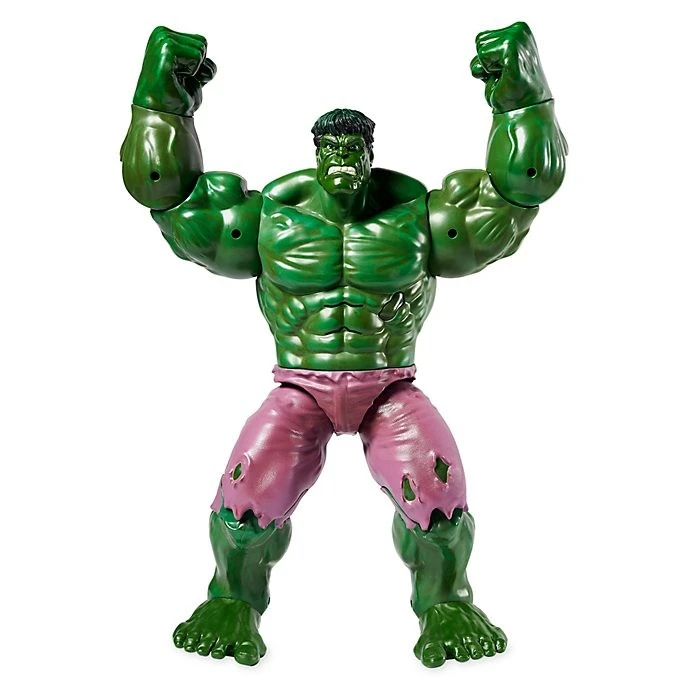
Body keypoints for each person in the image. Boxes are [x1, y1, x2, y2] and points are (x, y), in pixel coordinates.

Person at [121, 21, 566, 667]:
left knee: (437, 497)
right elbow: (170, 194)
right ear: (315, 154)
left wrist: (522, 97)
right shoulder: (274, 221)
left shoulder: (413, 220)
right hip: (300, 385)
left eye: (353, 151)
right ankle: (232, 600)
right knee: (245, 501)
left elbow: (520, 189)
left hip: (389, 385)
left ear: (369, 154)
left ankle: (446, 604)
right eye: (330, 150)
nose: (342, 163)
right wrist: (161, 101)